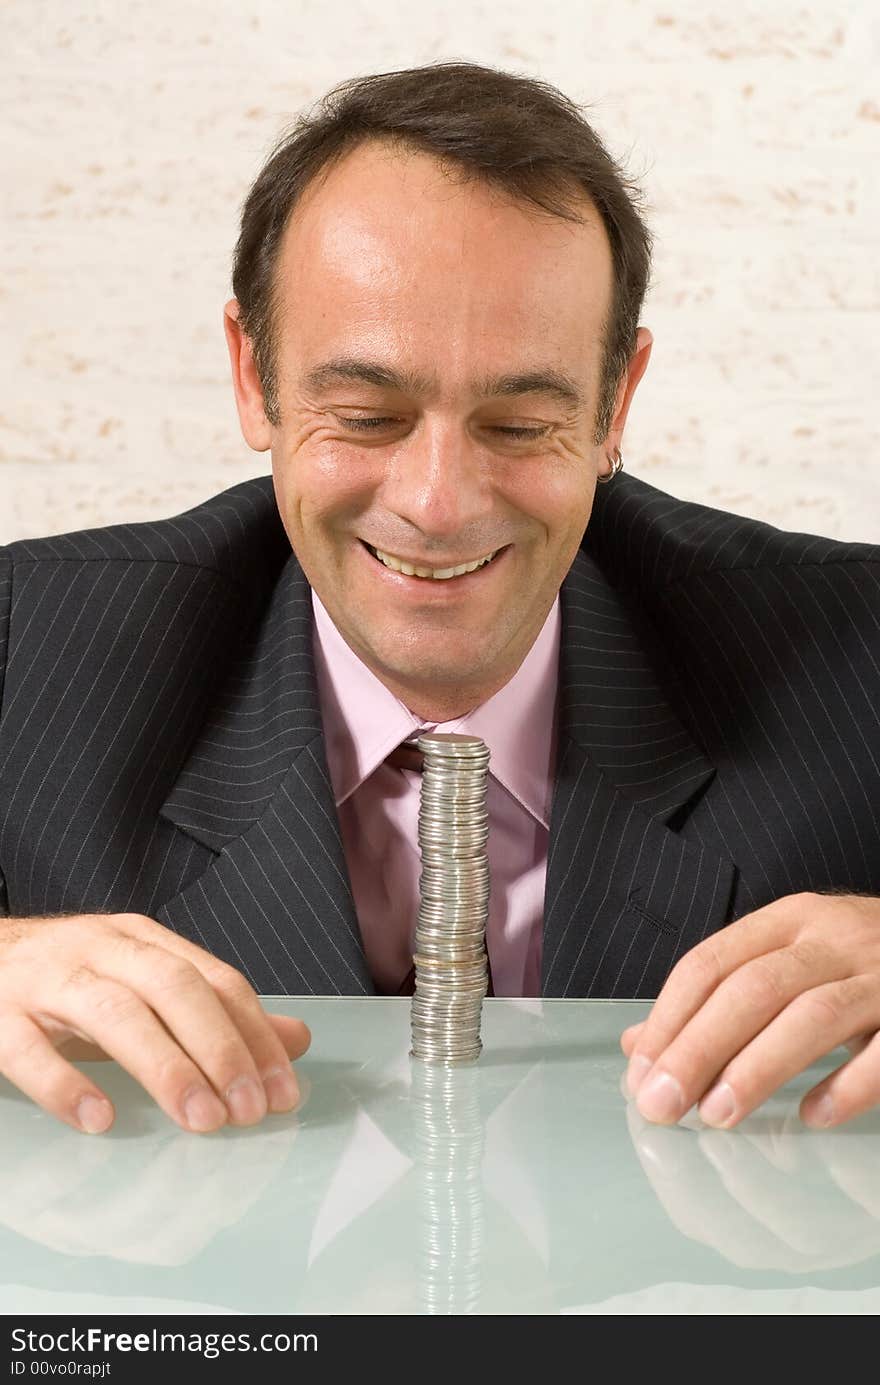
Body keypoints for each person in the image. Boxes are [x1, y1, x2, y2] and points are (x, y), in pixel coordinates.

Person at [1, 62, 878, 1141]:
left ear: (615, 406)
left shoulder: (856, 651)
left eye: (519, 425)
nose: (437, 504)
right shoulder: (22, 644)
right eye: (366, 413)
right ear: (252, 378)